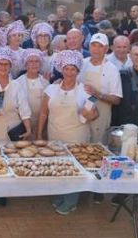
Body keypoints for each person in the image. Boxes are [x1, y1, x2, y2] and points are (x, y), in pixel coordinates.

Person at [37, 51, 97, 215]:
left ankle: (71, 201)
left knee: (74, 169)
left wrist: (89, 114)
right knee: (58, 167)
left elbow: (93, 113)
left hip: (76, 136)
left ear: (78, 72)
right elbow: (43, 113)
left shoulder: (85, 90)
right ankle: (61, 195)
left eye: (73, 69)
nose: (69, 72)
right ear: (61, 70)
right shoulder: (51, 89)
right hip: (55, 134)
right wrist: (40, 134)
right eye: (66, 69)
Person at [79, 33, 122, 145]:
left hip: (101, 116)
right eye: (94, 45)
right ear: (89, 47)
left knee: (96, 149)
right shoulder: (82, 64)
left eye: (100, 46)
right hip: (81, 113)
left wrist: (98, 94)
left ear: (106, 49)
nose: (96, 49)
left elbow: (117, 99)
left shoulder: (112, 69)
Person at [15, 49, 50, 132]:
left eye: (37, 61)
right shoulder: (18, 82)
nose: (34, 64)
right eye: (31, 61)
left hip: (42, 124)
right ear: (25, 64)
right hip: (23, 123)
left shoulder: (45, 82)